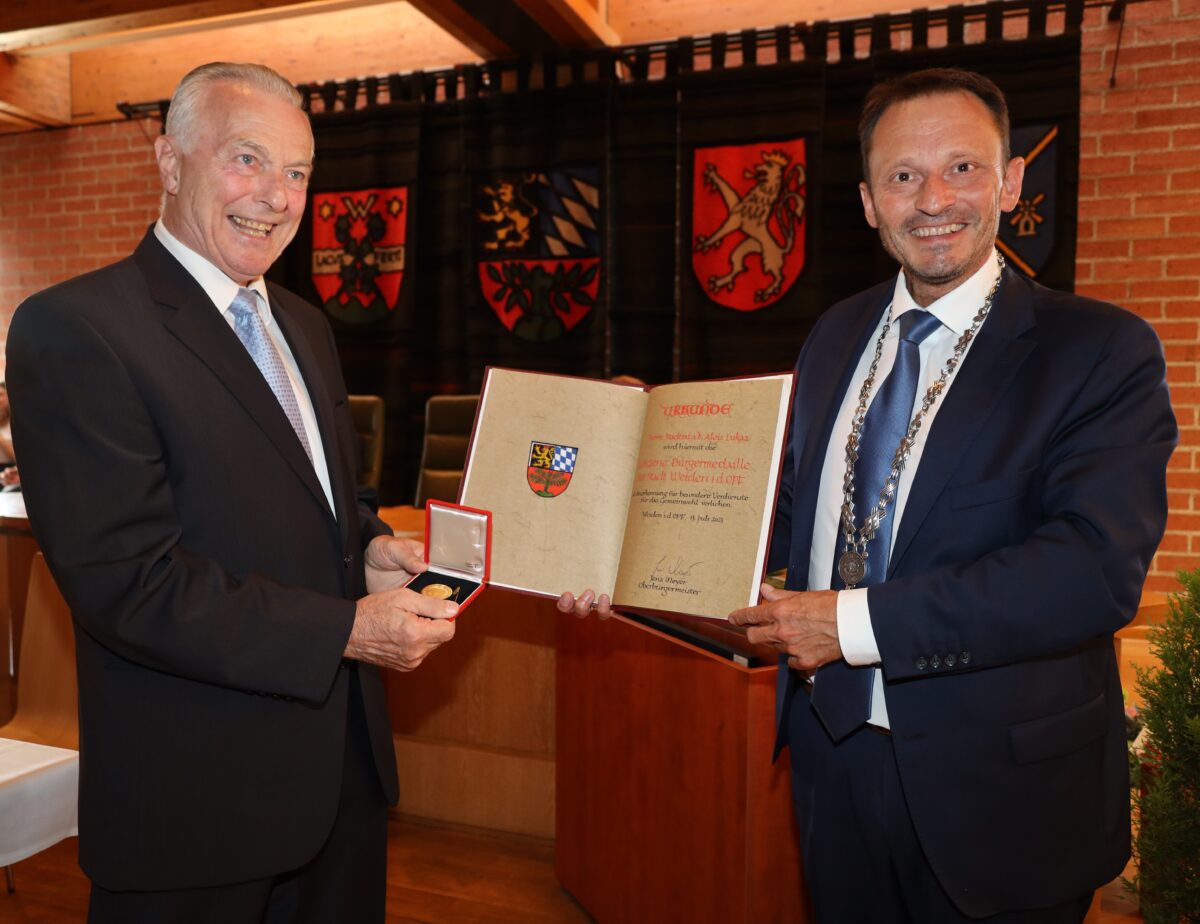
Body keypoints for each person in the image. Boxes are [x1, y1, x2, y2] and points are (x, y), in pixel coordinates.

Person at [721, 68, 1177, 921]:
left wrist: (852, 625)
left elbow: (1090, 570)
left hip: (1003, 795)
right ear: (868, 201)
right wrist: (642, 572)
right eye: (902, 176)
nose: (933, 198)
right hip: (832, 758)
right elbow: (786, 515)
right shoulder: (832, 335)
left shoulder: (1098, 351)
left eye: (961, 169)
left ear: (1010, 182)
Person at [7, 62, 457, 923]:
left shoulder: (304, 324)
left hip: (342, 787)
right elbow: (127, 582)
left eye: (297, 173)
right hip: (196, 812)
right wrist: (347, 630)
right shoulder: (77, 329)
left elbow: (308, 499)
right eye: (248, 160)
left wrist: (367, 546)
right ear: (170, 161)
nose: (277, 197)